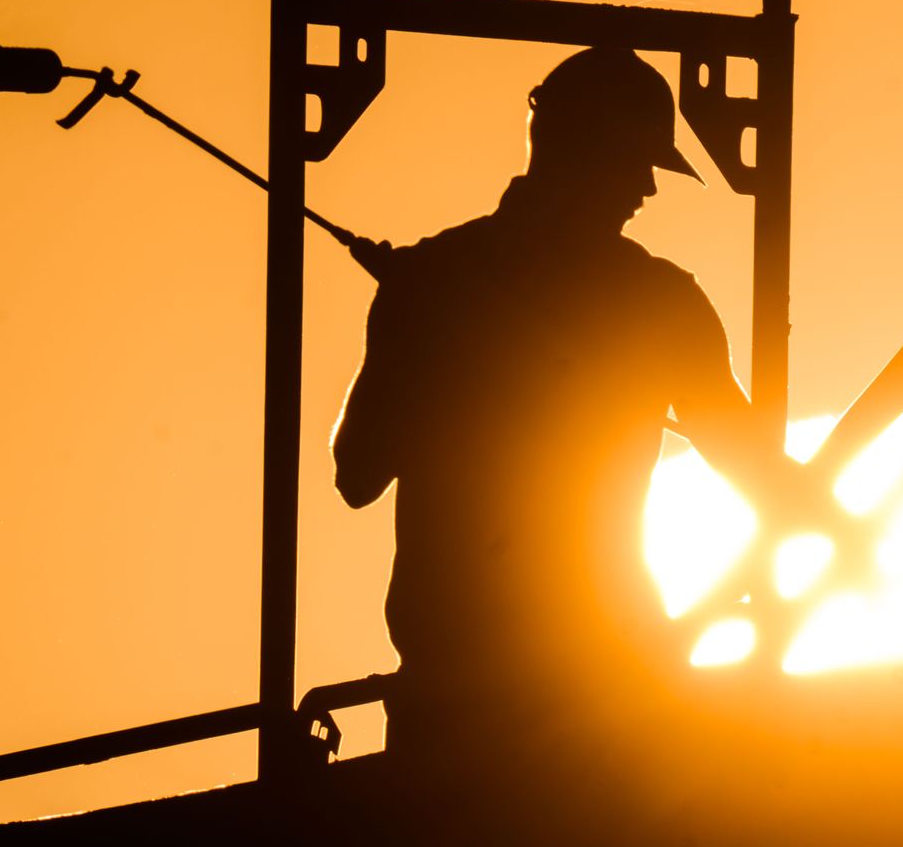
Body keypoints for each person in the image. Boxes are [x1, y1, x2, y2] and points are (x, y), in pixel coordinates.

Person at [331, 46, 816, 761]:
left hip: (470, 702)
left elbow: (358, 470)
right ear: (579, 154)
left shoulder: (434, 280)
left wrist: (427, 325)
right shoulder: (656, 303)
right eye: (635, 163)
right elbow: (758, 471)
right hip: (588, 694)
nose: (647, 189)